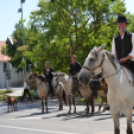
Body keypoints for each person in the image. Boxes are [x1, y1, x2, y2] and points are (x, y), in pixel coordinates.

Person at [105, 14, 134, 110]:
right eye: (119, 24)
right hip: (119, 64)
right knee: (109, 78)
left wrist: (125, 58)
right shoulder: (115, 39)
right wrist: (116, 61)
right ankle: (111, 101)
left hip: (131, 63)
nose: (120, 26)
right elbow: (113, 54)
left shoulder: (132, 36)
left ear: (126, 25)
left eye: (122, 24)